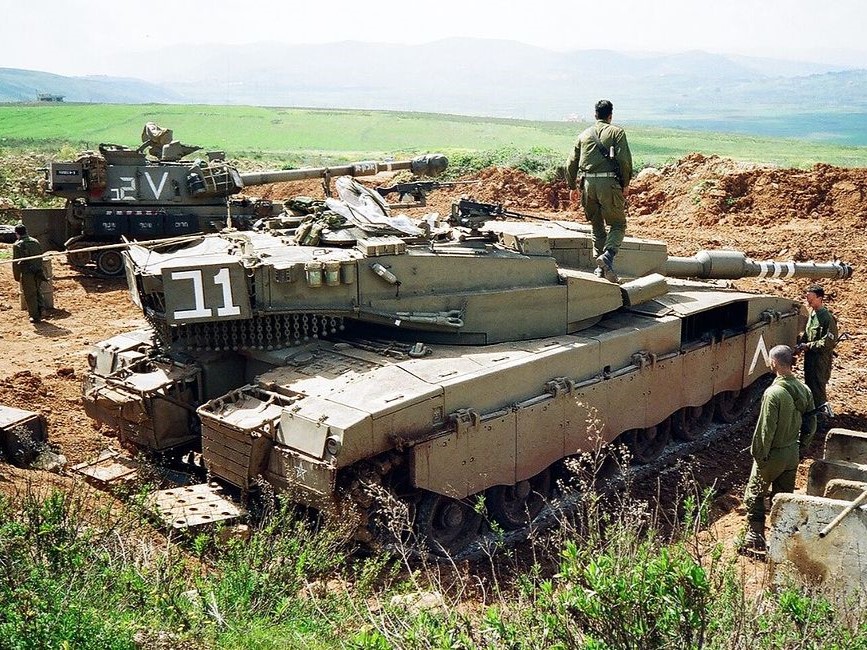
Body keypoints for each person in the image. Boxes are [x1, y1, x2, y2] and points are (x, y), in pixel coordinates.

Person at [740, 345, 816, 553]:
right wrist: (801, 449)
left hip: (772, 455)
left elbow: (766, 429)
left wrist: (759, 456)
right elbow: (811, 423)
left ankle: (754, 538)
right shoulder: (804, 389)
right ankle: (781, 541)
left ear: (774, 363)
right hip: (791, 453)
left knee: (755, 494)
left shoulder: (774, 393)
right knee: (783, 498)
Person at [565, 99, 633, 283]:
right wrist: (626, 183)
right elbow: (624, 161)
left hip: (587, 185)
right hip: (608, 184)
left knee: (597, 225)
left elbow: (571, 163)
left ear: (595, 115)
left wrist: (572, 187)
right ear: (610, 116)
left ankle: (601, 269)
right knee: (618, 224)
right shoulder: (617, 132)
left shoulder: (584, 134)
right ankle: (608, 256)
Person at [796, 285, 838, 424]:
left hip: (820, 360)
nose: (808, 301)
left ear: (819, 299)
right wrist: (800, 345)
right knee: (810, 386)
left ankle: (822, 419)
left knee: (818, 389)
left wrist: (808, 346)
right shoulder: (812, 314)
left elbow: (828, 342)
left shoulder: (826, 318)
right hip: (810, 359)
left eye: (811, 298)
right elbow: (808, 334)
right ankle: (813, 417)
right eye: (808, 298)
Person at [11, 223, 47, 323]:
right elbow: (40, 257)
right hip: (38, 271)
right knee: (38, 290)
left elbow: (16, 263)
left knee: (30, 294)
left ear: (17, 234)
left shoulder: (18, 245)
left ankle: (35, 316)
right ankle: (42, 309)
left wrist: (17, 276)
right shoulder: (35, 241)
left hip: (27, 273)